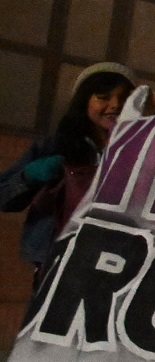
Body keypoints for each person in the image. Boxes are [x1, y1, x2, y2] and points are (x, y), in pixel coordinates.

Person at [0, 63, 135, 291]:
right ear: (84, 101)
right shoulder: (55, 147)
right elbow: (3, 196)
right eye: (103, 97)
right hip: (59, 264)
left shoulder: (143, 152)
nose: (115, 105)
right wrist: (28, 176)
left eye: (125, 99)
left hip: (120, 266)